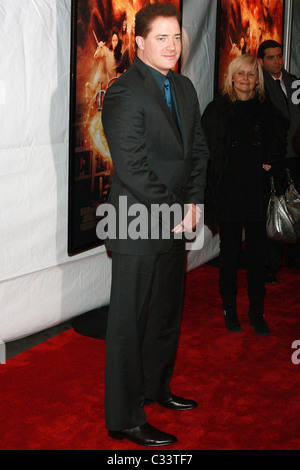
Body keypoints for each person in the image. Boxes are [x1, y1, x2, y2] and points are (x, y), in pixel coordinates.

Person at [101, 2, 209, 447]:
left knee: (165, 315)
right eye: (161, 38)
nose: (171, 45)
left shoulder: (183, 87)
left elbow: (197, 150)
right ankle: (124, 418)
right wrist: (176, 209)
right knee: (130, 323)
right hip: (137, 223)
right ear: (139, 41)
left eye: (177, 37)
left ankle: (155, 389)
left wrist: (195, 201)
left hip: (177, 219)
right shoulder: (124, 92)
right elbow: (132, 167)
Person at [202, 54, 286, 337]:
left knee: (256, 254)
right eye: (241, 74)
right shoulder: (218, 109)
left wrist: (270, 162)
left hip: (255, 189)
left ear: (257, 79)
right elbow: (205, 150)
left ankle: (256, 313)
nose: (246, 79)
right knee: (228, 253)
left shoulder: (266, 109)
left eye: (251, 74)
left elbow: (280, 137)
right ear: (232, 76)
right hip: (227, 190)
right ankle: (229, 310)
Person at [258, 40, 300, 277]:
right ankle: (270, 264)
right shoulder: (258, 84)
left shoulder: (294, 83)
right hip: (272, 158)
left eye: (279, 56)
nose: (277, 61)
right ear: (262, 61)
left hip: (295, 156)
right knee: (272, 209)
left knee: (296, 206)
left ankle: (294, 258)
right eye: (271, 57)